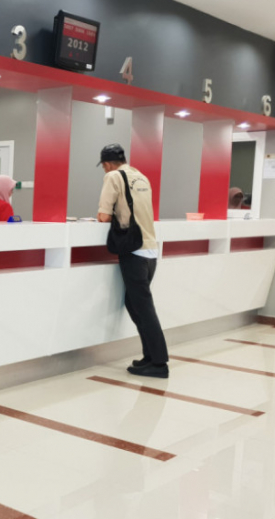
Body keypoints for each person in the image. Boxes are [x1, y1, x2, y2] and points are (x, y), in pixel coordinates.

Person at [96, 143, 169, 379]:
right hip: (150, 249)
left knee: (144, 308)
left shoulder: (113, 177)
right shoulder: (141, 177)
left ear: (107, 164)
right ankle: (149, 356)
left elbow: (103, 216)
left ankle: (159, 363)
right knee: (134, 303)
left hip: (134, 251)